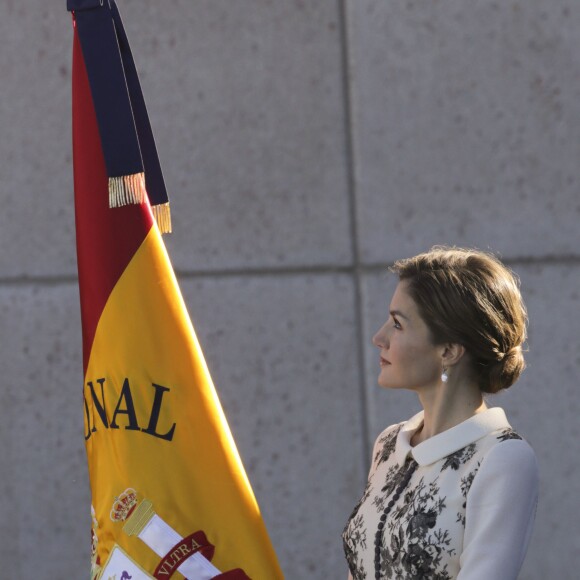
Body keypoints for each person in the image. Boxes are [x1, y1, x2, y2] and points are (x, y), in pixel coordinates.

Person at [342, 247, 539, 580]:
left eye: (397, 324)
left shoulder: (502, 458)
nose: (379, 338)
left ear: (448, 350)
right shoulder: (389, 444)